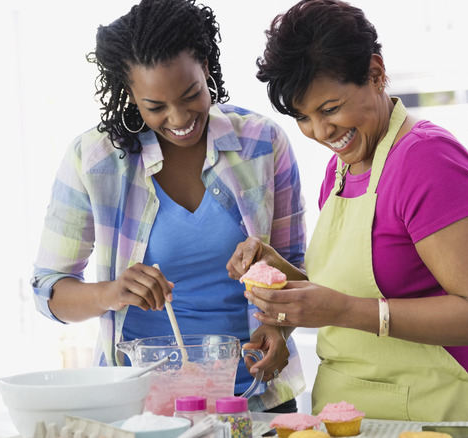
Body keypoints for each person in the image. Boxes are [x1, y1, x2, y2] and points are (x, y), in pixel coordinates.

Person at [227, 0, 468, 424]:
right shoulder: (341, 168)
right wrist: (283, 283)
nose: (320, 132)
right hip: (346, 416)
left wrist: (341, 311)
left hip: (431, 416)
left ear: (376, 72)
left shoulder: (428, 159)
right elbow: (355, 291)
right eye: (303, 117)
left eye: (330, 109)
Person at [31, 0, 307, 413]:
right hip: (141, 408)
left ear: (208, 70)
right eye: (155, 106)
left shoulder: (262, 144)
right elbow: (48, 292)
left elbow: (298, 272)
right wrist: (111, 292)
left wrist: (276, 329)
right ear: (130, 96)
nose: (179, 118)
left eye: (191, 94)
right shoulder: (94, 160)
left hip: (254, 399)